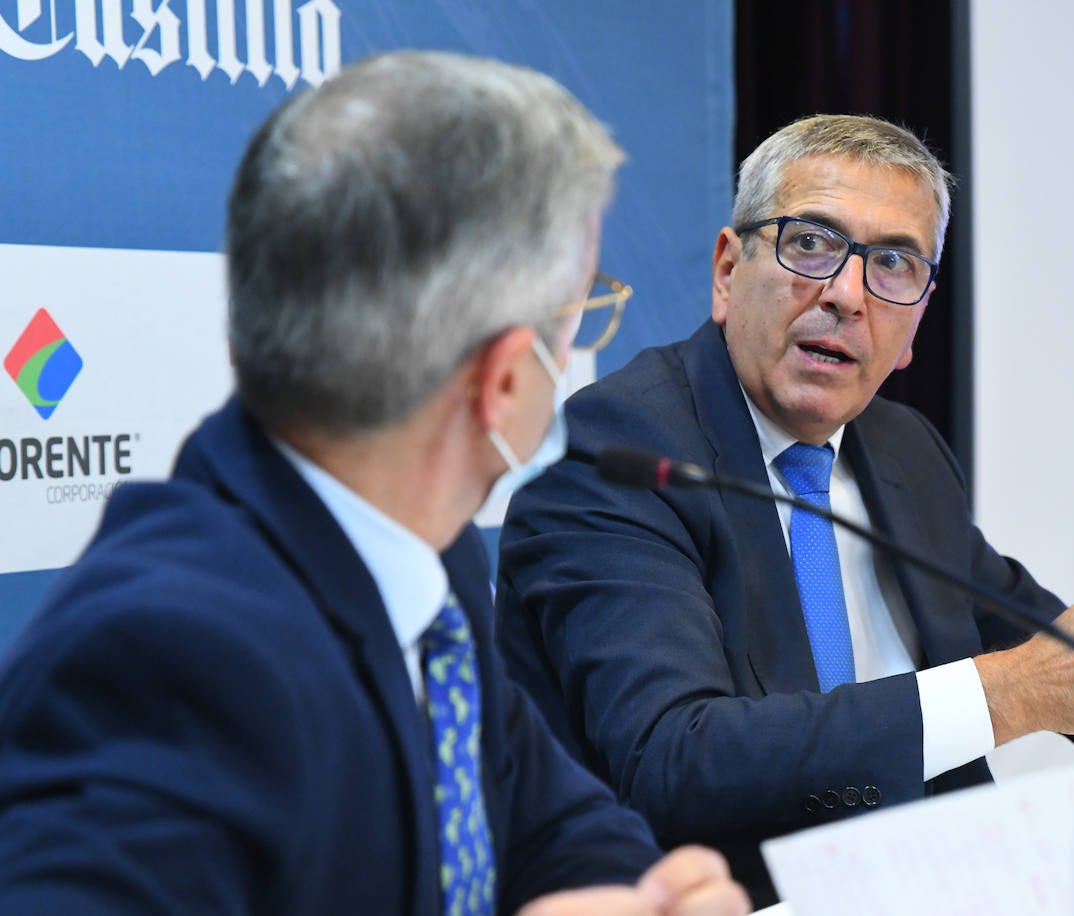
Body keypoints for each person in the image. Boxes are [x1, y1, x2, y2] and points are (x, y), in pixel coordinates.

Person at [494, 114, 1074, 905]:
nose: (845, 292)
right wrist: (1016, 693)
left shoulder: (901, 452)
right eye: (810, 245)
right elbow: (674, 757)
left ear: (915, 325)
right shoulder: (626, 454)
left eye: (893, 264)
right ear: (728, 271)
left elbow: (1053, 659)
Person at [0, 52, 749, 916]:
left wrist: (649, 898)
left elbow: (551, 821)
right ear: (504, 380)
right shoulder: (166, 659)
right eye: (582, 311)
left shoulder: (434, 562)